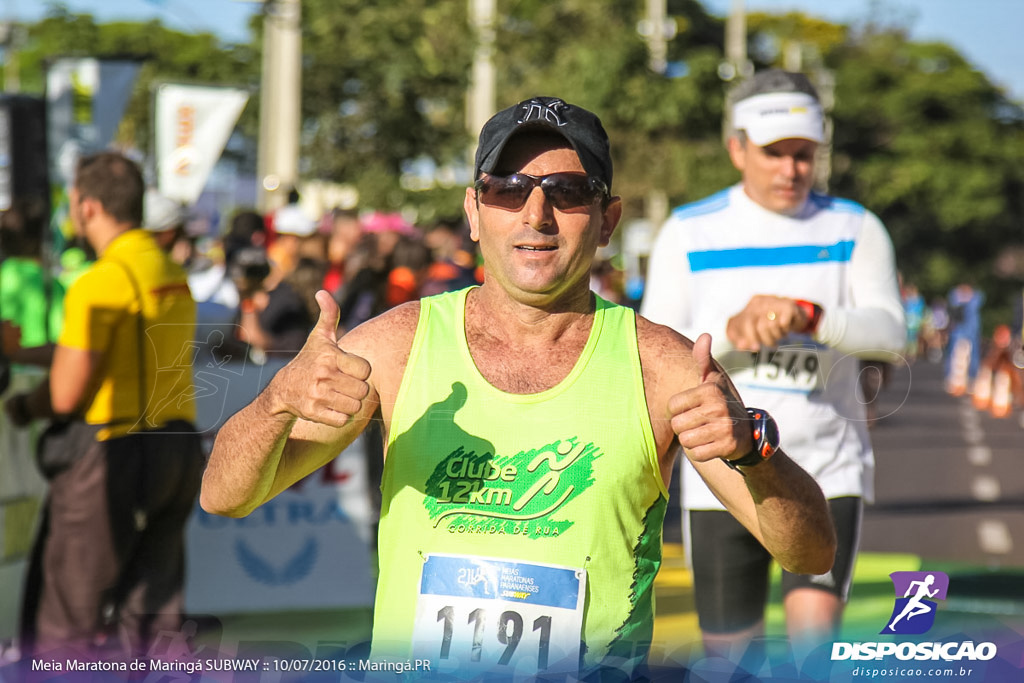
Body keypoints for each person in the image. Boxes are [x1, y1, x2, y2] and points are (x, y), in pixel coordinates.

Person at [201, 95, 836, 679]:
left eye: (566, 191)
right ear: (474, 213)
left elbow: (810, 553)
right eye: (507, 189)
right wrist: (276, 401)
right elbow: (224, 495)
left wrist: (753, 450)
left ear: (608, 219)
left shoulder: (666, 366)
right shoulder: (395, 346)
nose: (536, 215)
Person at [641, 70, 905, 660]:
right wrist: (732, 338)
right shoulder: (688, 230)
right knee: (727, 659)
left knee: (811, 657)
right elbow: (655, 357)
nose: (791, 170)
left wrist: (813, 317)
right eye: (774, 153)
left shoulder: (856, 227)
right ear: (737, 148)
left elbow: (891, 336)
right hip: (722, 479)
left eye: (804, 154)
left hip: (826, 468)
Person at [4, 151, 204, 660]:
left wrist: (24, 406)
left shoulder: (101, 281)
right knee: (153, 617)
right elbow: (112, 352)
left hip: (112, 455)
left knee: (67, 622)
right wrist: (22, 350)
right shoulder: (169, 272)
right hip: (177, 448)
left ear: (87, 206)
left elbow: (67, 393)